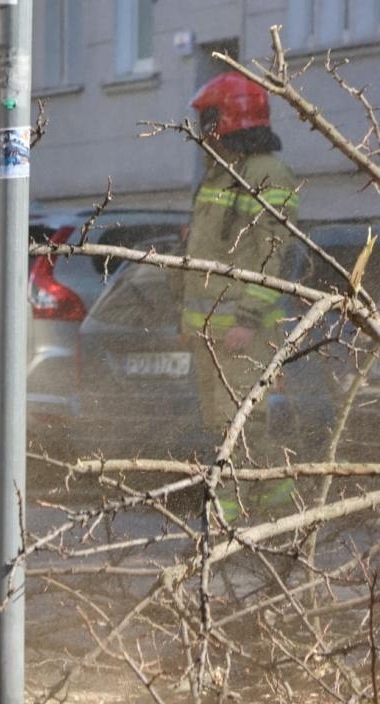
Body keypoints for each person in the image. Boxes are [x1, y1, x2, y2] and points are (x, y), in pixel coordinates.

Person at [181, 71, 300, 522]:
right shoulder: (219, 175)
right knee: (223, 426)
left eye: (209, 120)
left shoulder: (268, 175)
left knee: (240, 427)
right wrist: (187, 323)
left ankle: (229, 520)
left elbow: (271, 257)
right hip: (211, 331)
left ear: (229, 119)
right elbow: (198, 254)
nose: (202, 133)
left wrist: (248, 320)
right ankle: (277, 507)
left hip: (241, 331)